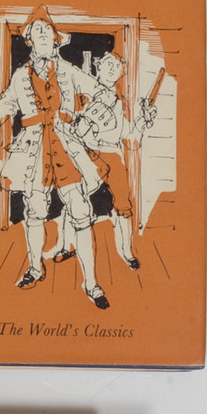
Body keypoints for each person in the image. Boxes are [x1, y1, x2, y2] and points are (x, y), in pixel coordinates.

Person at [0, 6, 111, 309]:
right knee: (34, 212)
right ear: (30, 40)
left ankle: (91, 283)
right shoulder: (20, 76)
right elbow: (2, 108)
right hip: (33, 152)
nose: (44, 34)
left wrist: (87, 120)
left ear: (56, 39)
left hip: (66, 148)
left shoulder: (69, 71)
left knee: (81, 213)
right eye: (38, 31)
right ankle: (36, 267)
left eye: (48, 30)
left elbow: (104, 94)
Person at [70, 51, 156, 272]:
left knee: (123, 204)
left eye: (117, 66)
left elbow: (132, 137)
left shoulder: (121, 104)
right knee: (75, 198)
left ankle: (126, 251)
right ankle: (67, 244)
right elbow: (71, 128)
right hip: (86, 153)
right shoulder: (82, 95)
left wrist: (143, 122)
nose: (112, 68)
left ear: (121, 73)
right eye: (108, 63)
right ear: (98, 67)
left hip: (113, 155)